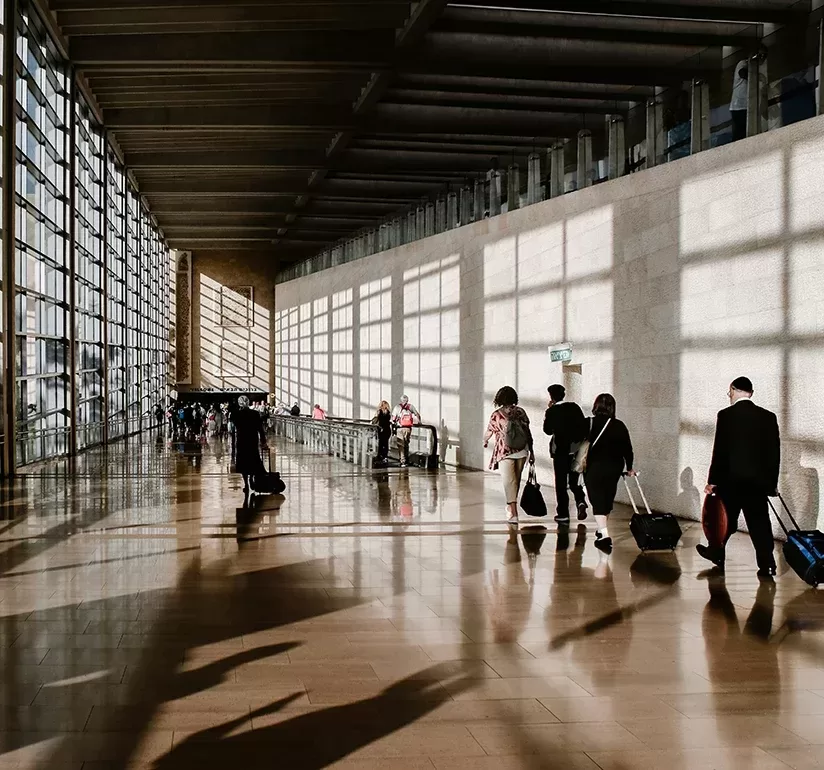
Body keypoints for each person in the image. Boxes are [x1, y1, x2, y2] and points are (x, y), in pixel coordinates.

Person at [697, 376, 780, 579]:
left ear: (733, 390)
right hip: (756, 484)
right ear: (750, 393)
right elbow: (774, 454)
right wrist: (771, 484)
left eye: (729, 393)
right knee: (760, 524)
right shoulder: (768, 416)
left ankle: (716, 553)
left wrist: (712, 481)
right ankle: (768, 565)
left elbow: (720, 451)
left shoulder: (725, 415)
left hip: (730, 482)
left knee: (724, 522)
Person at [583, 393, 636, 554]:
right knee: (606, 499)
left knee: (597, 499)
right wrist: (630, 467)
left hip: (593, 467)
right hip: (614, 467)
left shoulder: (588, 423)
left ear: (596, 405)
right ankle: (601, 530)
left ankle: (604, 536)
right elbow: (628, 448)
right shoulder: (619, 425)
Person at [483, 386, 535, 525]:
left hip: (504, 452)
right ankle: (512, 507)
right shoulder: (521, 412)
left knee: (509, 481)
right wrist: (532, 452)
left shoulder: (497, 414)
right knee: (516, 481)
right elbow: (528, 432)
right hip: (522, 450)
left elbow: (489, 430)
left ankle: (513, 511)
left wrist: (485, 440)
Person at [543, 384, 589, 524]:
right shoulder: (574, 407)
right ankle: (580, 501)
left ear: (551, 396)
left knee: (561, 483)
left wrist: (549, 411)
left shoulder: (552, 411)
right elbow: (583, 426)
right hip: (575, 450)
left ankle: (563, 513)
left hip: (560, 452)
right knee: (574, 480)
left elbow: (547, 430)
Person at [730, 46, 767, 142]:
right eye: (760, 55)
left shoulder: (757, 71)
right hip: (738, 106)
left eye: (764, 56)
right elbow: (743, 73)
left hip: (748, 106)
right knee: (739, 135)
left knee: (747, 133)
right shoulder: (743, 63)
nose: (761, 58)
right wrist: (758, 76)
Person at [231, 395, 268, 492]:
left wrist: (233, 446)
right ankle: (251, 478)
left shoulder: (236, 414)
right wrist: (263, 441)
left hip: (241, 440)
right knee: (253, 459)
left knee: (243, 462)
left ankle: (246, 484)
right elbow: (260, 429)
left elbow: (233, 430)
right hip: (252, 440)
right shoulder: (255, 414)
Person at [392, 395, 421, 467]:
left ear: (401, 400)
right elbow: (417, 414)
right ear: (407, 400)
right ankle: (407, 460)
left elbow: (393, 418)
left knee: (401, 445)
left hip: (400, 428)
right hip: (408, 428)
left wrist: (393, 426)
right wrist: (420, 422)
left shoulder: (397, 407)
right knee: (406, 443)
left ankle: (402, 461)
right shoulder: (411, 407)